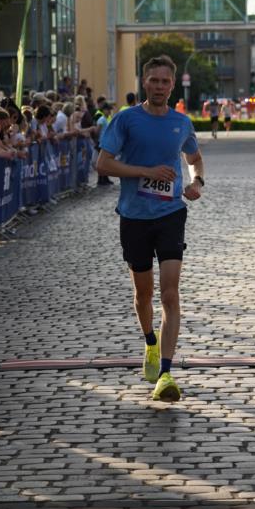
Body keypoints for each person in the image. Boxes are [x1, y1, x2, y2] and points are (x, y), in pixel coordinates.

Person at [96, 54, 204, 403]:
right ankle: (151, 344)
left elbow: (194, 158)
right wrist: (146, 172)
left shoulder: (181, 122)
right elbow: (104, 164)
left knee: (170, 294)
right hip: (134, 216)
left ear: (173, 85)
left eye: (165, 81)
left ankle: (168, 373)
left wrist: (197, 182)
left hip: (171, 213)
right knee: (143, 295)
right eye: (154, 80)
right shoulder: (126, 120)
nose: (159, 87)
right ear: (145, 83)